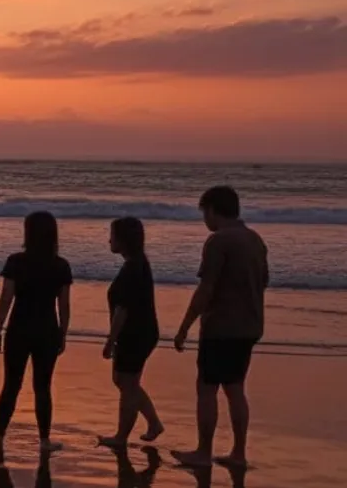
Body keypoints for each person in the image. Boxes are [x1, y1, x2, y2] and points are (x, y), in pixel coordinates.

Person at [172, 186, 268, 469]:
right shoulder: (255, 240)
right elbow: (263, 282)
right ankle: (239, 452)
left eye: (205, 212)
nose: (205, 219)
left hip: (221, 326)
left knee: (206, 387)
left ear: (213, 209)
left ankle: (203, 452)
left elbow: (206, 288)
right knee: (235, 387)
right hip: (249, 325)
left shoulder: (218, 242)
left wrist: (184, 326)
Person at [0, 211, 71, 455]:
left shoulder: (16, 261)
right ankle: (44, 440)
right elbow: (64, 305)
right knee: (43, 387)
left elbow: (7, 297)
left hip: (19, 328)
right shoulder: (60, 265)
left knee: (11, 385)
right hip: (47, 329)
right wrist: (63, 333)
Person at [98, 217, 165, 448]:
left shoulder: (133, 268)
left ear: (123, 240)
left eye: (113, 235)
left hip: (136, 334)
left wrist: (110, 341)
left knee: (127, 384)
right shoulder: (135, 264)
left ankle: (121, 437)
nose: (109, 239)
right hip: (138, 333)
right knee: (124, 381)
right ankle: (154, 423)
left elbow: (122, 310)